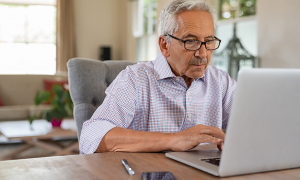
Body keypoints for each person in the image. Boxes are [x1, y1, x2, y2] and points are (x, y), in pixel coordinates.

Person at [79, 0, 236, 154]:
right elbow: (90, 136)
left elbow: (254, 124)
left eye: (208, 41)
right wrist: (174, 139)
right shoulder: (135, 79)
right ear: (164, 45)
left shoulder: (221, 82)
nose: (202, 54)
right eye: (190, 41)